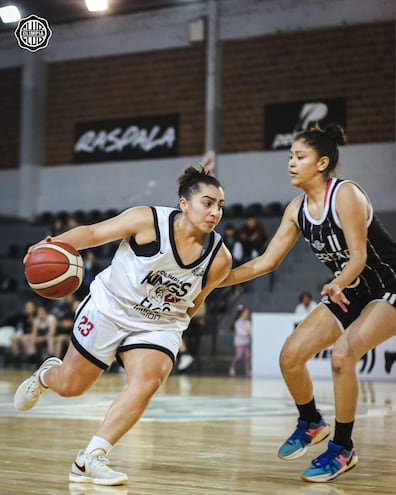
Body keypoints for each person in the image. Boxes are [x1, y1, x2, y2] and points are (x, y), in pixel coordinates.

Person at [14, 165, 232, 486]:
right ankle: (47, 376)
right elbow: (91, 234)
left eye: (220, 206)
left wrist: (174, 324)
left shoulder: (220, 257)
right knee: (72, 386)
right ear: (184, 203)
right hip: (110, 307)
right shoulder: (148, 220)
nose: (215, 212)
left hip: (158, 323)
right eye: (208, 203)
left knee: (148, 380)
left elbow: (197, 299)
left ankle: (91, 457)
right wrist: (52, 245)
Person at [219, 123, 396, 482]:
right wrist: (217, 282)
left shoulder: (345, 194)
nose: (291, 163)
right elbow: (265, 262)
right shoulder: (297, 209)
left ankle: (343, 448)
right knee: (290, 355)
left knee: (344, 355)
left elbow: (359, 257)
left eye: (300, 157)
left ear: (322, 162)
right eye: (289, 157)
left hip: (387, 283)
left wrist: (337, 282)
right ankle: (312, 422)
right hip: (350, 289)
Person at [229, 304, 251, 377]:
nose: (246, 315)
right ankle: (233, 367)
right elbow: (239, 332)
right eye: (245, 313)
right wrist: (246, 335)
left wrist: (250, 335)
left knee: (247, 356)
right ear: (241, 314)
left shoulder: (248, 323)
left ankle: (247, 370)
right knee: (239, 356)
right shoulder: (237, 323)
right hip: (239, 342)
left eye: (247, 314)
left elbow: (250, 331)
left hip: (246, 342)